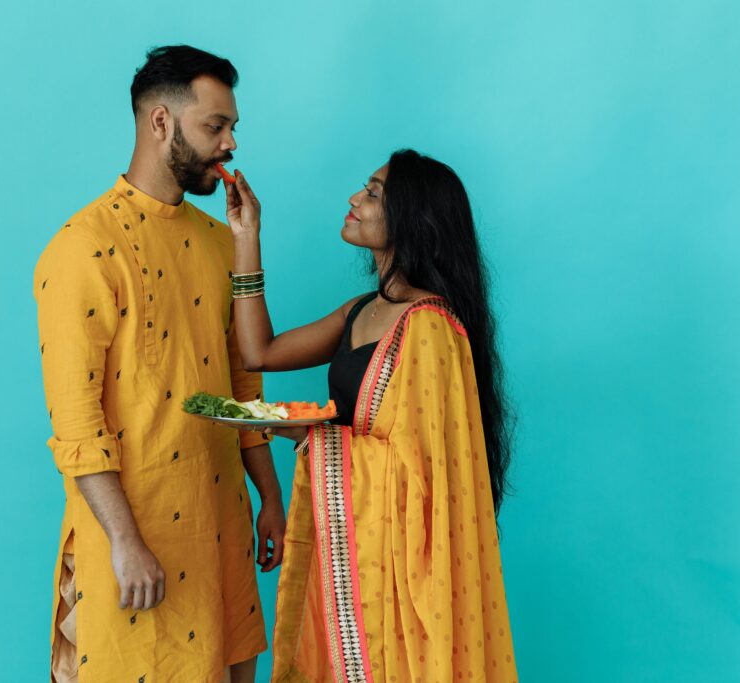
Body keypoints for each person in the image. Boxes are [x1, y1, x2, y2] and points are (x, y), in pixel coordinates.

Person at [33, 45, 284, 683]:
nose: (230, 144)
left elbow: (239, 384)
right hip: (137, 544)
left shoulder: (218, 240)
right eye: (215, 126)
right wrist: (124, 541)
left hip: (220, 528)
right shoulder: (83, 248)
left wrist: (270, 496)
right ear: (162, 124)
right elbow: (76, 420)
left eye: (232, 128)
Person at [224, 149, 519, 681]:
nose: (354, 200)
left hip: (397, 577)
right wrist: (247, 238)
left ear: (414, 218)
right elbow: (259, 353)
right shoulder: (361, 309)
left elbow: (423, 478)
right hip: (348, 554)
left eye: (374, 193)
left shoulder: (430, 329)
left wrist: (307, 433)